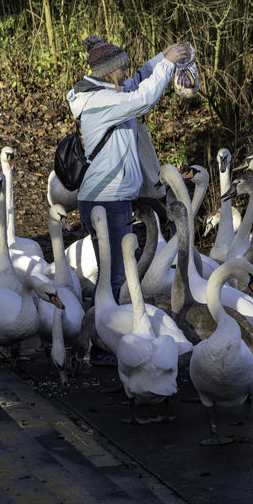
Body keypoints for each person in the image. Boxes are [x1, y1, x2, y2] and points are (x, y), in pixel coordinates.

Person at [66, 35, 188, 359]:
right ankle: (102, 348)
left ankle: (94, 343)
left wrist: (161, 57)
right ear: (109, 72)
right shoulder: (103, 102)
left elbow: (137, 83)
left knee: (110, 276)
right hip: (107, 201)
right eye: (121, 69)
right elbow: (144, 98)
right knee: (116, 276)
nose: (126, 73)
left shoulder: (104, 93)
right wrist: (168, 64)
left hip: (106, 198)